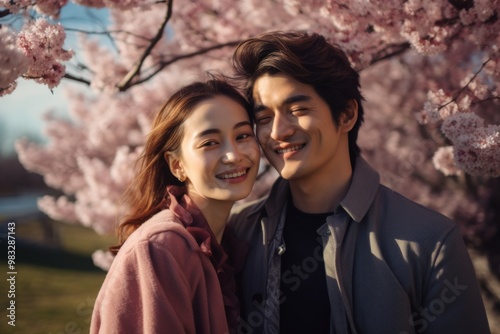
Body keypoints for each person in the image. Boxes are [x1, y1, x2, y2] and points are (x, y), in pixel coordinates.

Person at [228, 31, 490, 334]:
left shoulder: (430, 242)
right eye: (263, 117)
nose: (278, 131)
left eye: (297, 110)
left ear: (347, 115)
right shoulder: (238, 231)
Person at [90, 77, 260, 334]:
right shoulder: (161, 247)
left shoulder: (229, 241)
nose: (234, 155)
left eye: (243, 135)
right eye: (209, 143)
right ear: (176, 165)